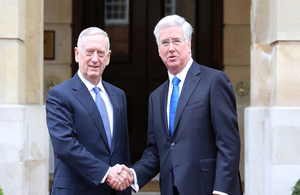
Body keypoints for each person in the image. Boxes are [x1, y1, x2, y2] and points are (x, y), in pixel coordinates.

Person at [109, 14, 243, 195]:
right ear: (158, 49)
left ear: (189, 44)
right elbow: (156, 152)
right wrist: (133, 174)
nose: (170, 48)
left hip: (209, 189)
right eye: (164, 43)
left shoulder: (214, 81)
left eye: (176, 41)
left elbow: (229, 143)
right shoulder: (156, 97)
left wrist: (221, 191)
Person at [46, 27, 133, 195]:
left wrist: (124, 184)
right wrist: (107, 172)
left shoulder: (118, 95)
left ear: (108, 57)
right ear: (77, 54)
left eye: (101, 53)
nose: (95, 59)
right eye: (89, 52)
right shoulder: (59, 95)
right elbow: (65, 146)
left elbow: (122, 150)